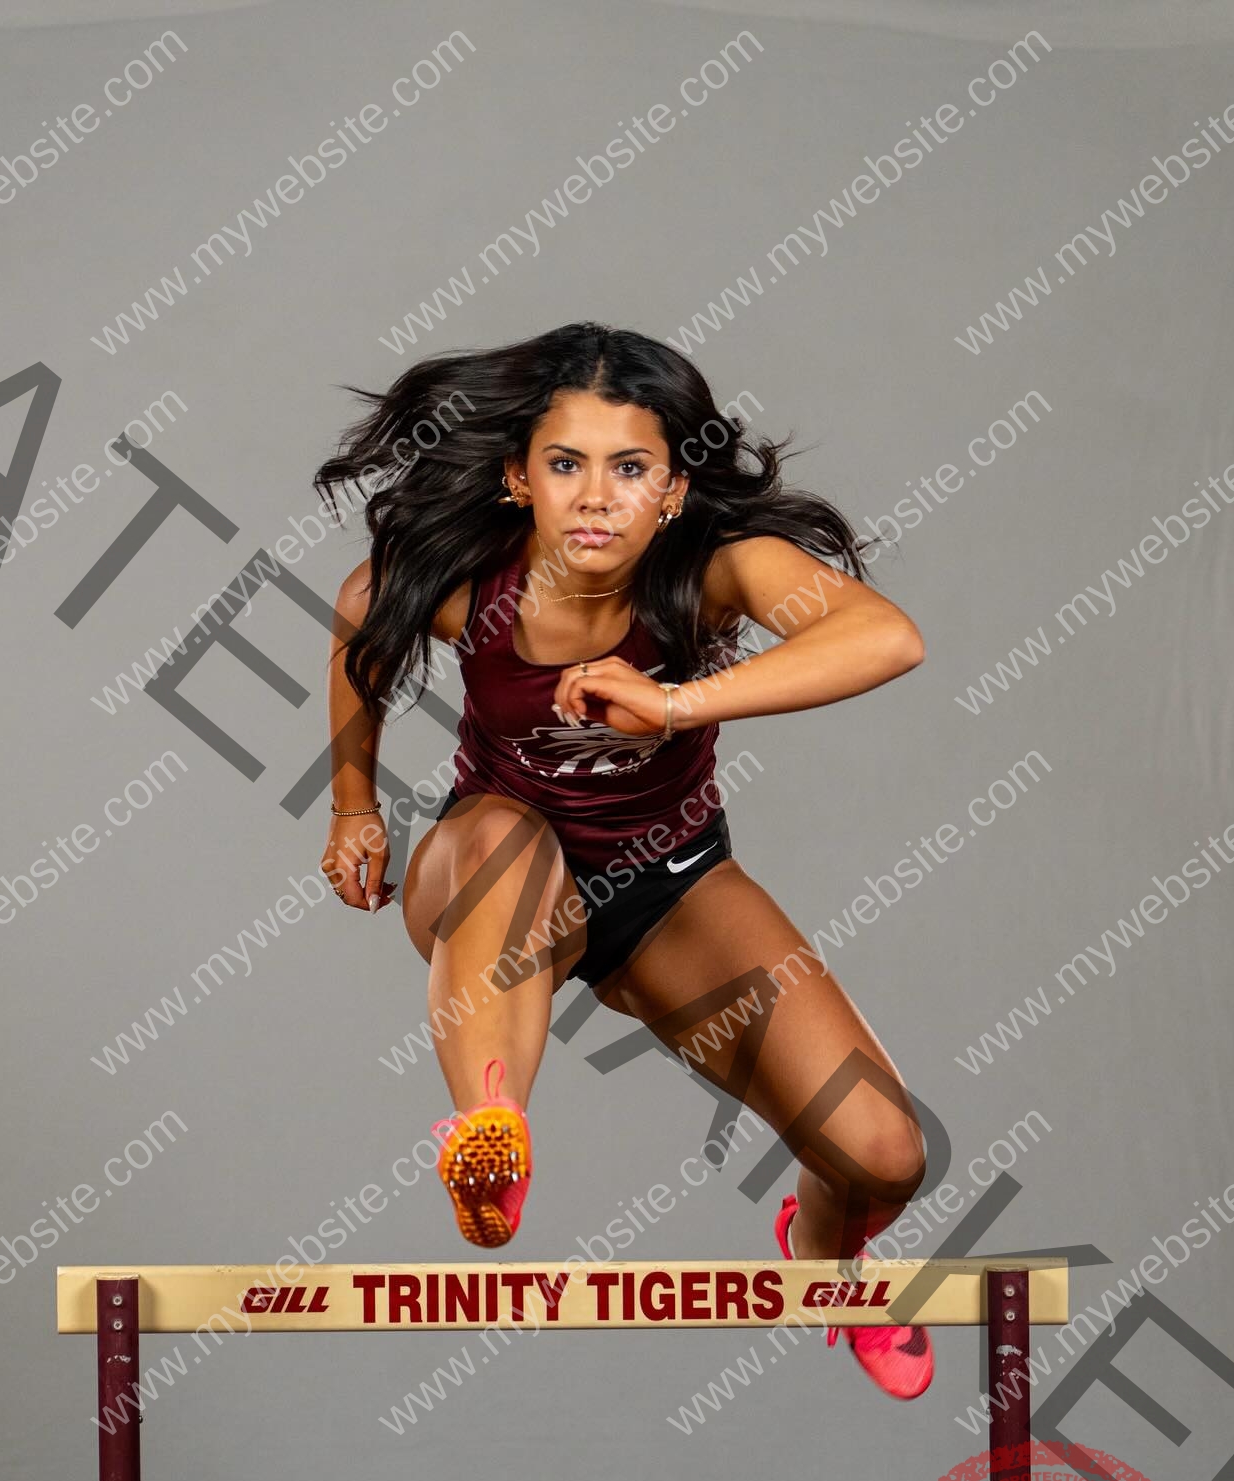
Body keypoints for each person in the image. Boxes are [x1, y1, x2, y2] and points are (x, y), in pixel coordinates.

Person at [316, 322, 932, 1400]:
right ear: (519, 479)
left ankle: (828, 1257)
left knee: (885, 1155)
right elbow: (362, 614)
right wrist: (352, 804)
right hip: (495, 874)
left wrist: (677, 699)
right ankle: (491, 1132)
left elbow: (887, 637)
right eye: (566, 465)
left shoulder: (717, 573)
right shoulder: (470, 582)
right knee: (509, 838)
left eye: (631, 468)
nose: (596, 498)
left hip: (671, 884)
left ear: (676, 491)